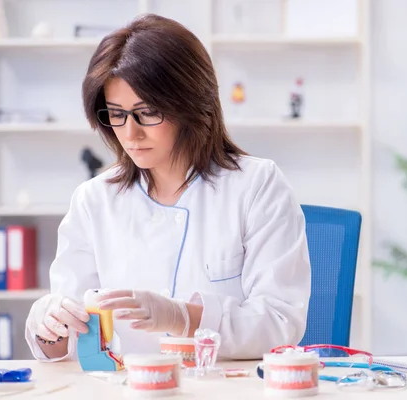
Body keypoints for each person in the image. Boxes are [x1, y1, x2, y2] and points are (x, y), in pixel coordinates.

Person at [24, 13, 311, 362]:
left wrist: (182, 318)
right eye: (116, 114)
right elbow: (70, 347)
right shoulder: (94, 200)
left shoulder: (256, 186)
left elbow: (280, 323)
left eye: (147, 113)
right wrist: (51, 328)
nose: (130, 133)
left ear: (191, 104)